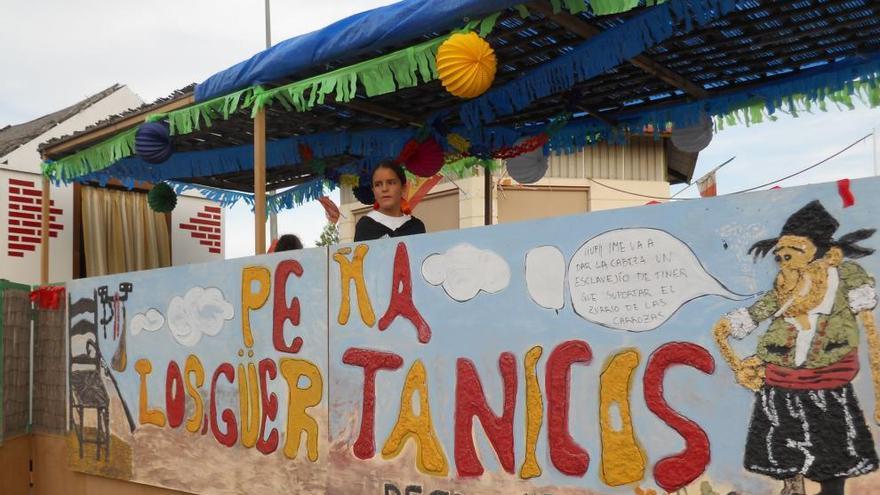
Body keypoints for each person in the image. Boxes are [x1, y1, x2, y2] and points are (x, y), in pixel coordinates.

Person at [712, 201, 879, 495]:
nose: (784, 257)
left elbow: (867, 321)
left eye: (794, 250)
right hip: (781, 383)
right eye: (781, 252)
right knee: (784, 449)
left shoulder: (841, 279)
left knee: (832, 454)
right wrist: (735, 323)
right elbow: (762, 308)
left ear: (819, 251)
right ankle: (793, 487)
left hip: (828, 384)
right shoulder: (785, 286)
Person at [354, 161, 426, 242]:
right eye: (378, 184)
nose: (384, 189)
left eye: (391, 183)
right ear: (373, 191)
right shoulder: (365, 226)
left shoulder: (416, 226)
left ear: (403, 188)